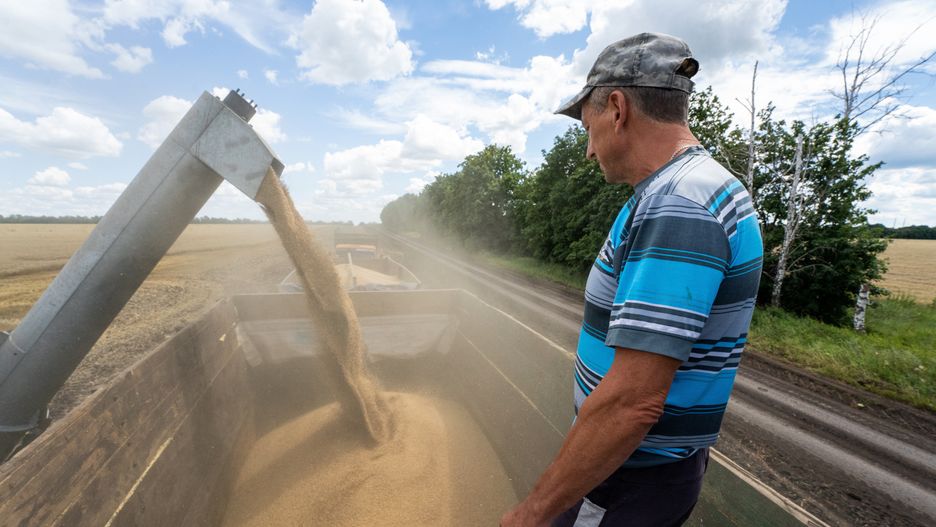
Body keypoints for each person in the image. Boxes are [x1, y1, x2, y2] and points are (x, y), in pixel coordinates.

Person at [500, 33, 764, 527]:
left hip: (626, 483)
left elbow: (632, 402)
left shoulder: (677, 204)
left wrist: (531, 513)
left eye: (587, 125)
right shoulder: (695, 188)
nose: (587, 150)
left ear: (617, 109)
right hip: (642, 475)